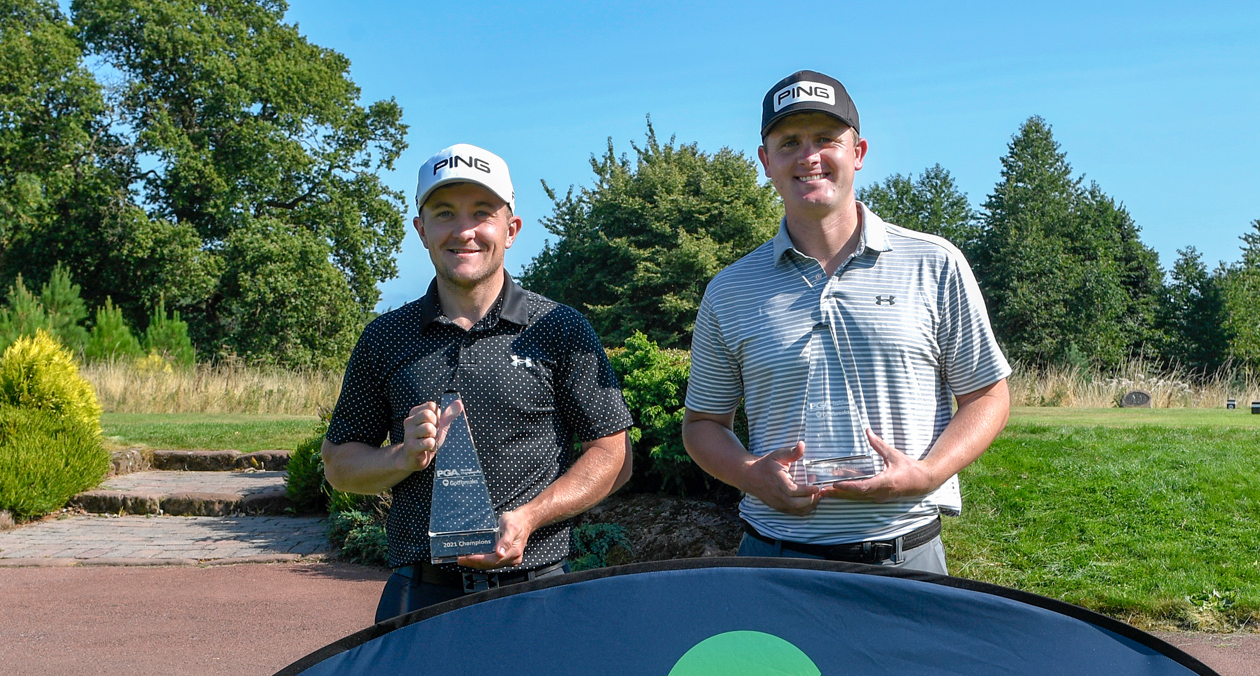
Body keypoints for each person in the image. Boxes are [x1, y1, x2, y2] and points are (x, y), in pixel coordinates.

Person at [683, 71, 1012, 574]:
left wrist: (927, 475)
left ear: (857, 152)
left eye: (825, 139)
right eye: (789, 142)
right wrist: (753, 476)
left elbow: (987, 395)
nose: (808, 156)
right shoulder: (730, 289)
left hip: (905, 555)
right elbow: (703, 425)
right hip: (773, 558)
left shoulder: (934, 262)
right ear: (765, 160)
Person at [323, 143, 633, 619]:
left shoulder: (560, 329)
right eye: (444, 214)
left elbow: (614, 456)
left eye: (482, 213)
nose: (464, 231)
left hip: (536, 591)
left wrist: (530, 518)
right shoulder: (384, 338)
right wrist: (402, 456)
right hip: (420, 594)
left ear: (511, 229)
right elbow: (340, 465)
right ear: (421, 230)